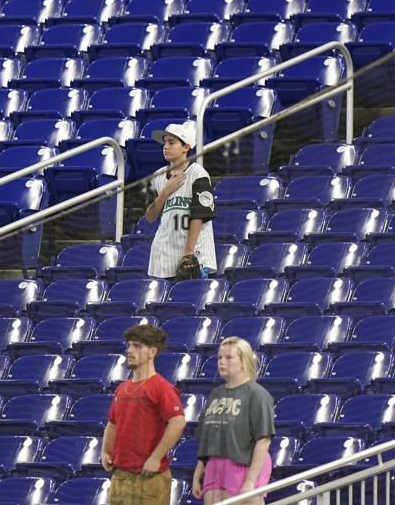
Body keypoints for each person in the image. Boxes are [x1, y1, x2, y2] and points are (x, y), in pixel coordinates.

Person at [101, 324, 186, 504]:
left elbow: (178, 422)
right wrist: (105, 451)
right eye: (129, 345)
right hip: (120, 476)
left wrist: (155, 457)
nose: (130, 350)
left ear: (152, 352)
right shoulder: (122, 388)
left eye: (137, 346)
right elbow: (113, 423)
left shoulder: (161, 387)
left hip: (149, 478)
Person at [191, 337, 275, 505]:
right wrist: (198, 473)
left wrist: (250, 481)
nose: (222, 362)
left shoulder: (257, 394)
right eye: (220, 358)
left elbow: (264, 439)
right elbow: (208, 440)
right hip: (215, 466)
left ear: (243, 361)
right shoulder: (215, 394)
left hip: (244, 465)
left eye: (229, 358)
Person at [144, 121, 217, 280]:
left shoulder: (198, 173)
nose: (166, 147)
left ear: (186, 147)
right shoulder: (158, 176)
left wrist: (188, 253)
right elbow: (149, 216)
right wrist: (165, 192)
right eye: (165, 143)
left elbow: (199, 215)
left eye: (172, 142)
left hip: (194, 254)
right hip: (163, 255)